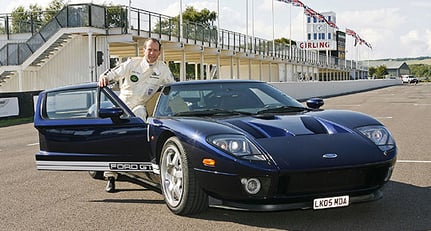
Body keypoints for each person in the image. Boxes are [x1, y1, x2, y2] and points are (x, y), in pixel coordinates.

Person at [98, 38, 175, 193]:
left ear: (159, 52)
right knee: (114, 139)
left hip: (140, 107)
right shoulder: (132, 63)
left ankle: (142, 167)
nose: (152, 53)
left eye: (155, 50)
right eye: (149, 49)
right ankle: (110, 177)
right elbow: (113, 73)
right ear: (143, 50)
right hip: (122, 105)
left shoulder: (163, 69)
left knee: (140, 129)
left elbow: (173, 88)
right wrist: (104, 77)